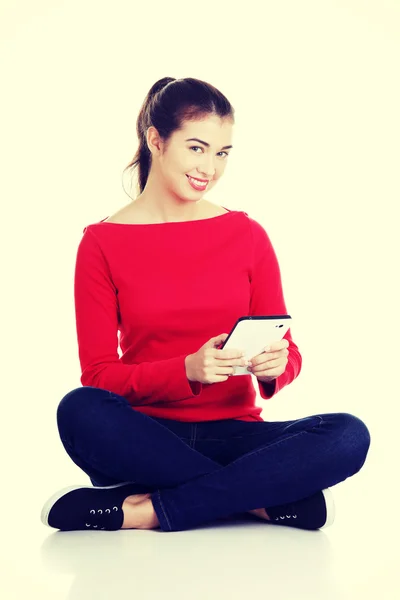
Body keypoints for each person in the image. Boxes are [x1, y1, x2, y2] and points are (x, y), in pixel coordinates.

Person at [40, 77, 370, 533]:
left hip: (240, 435)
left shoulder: (246, 234)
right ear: (156, 140)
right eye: (197, 148)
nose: (210, 167)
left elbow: (287, 349)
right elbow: (99, 376)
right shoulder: (101, 243)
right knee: (78, 409)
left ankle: (150, 510)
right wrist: (186, 371)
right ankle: (257, 502)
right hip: (149, 438)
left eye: (222, 153)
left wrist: (276, 366)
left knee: (348, 434)